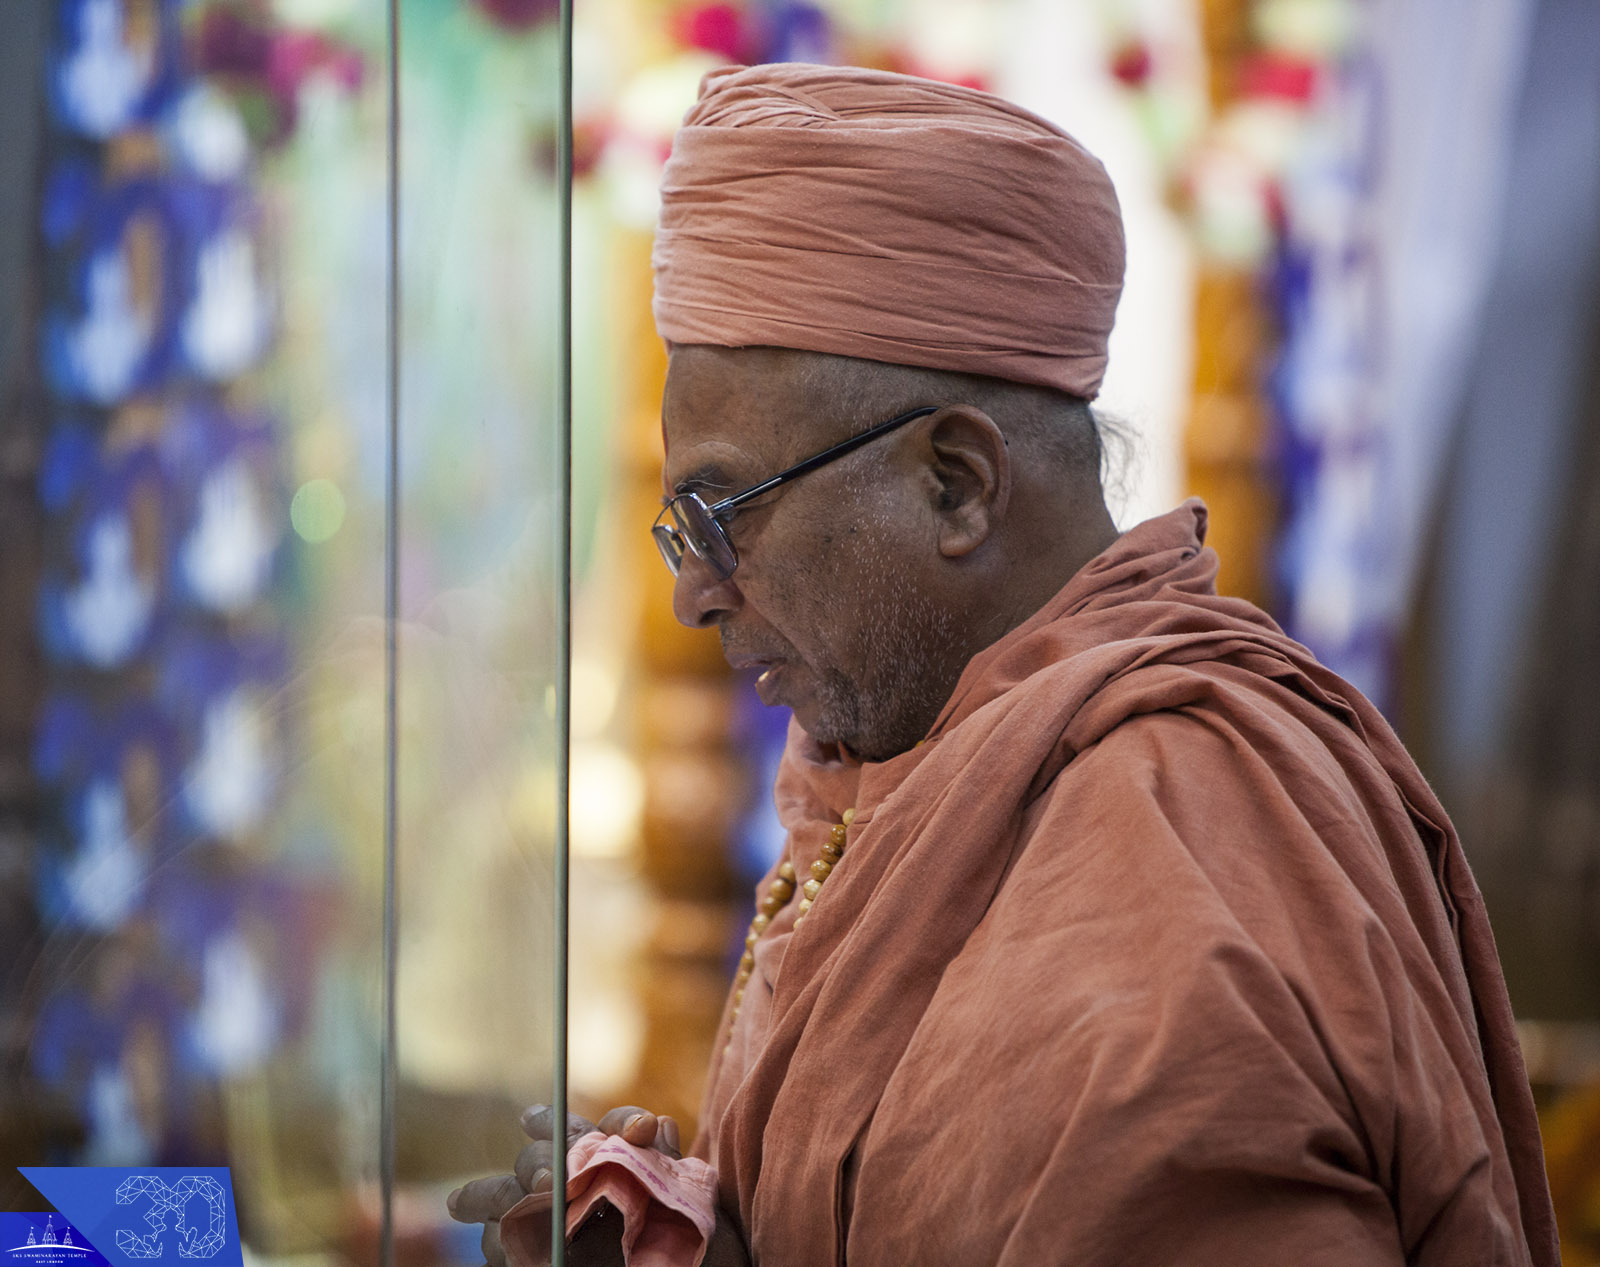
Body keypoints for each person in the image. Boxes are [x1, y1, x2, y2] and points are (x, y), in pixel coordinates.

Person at [448, 63, 1559, 1266]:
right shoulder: (939, 755)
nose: (693, 593)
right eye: (681, 532)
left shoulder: (1167, 851)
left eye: (725, 515)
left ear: (956, 485)